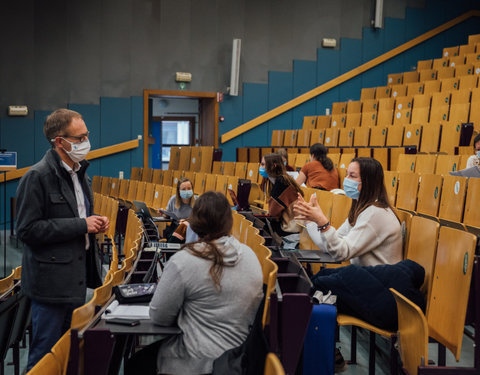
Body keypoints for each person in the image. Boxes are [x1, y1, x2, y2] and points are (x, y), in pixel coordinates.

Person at [16, 108, 109, 371]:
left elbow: (79, 218)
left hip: (76, 279)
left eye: (86, 136)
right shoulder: (37, 177)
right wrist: (82, 225)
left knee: (68, 355)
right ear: (60, 141)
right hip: (49, 285)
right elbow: (27, 230)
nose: (85, 143)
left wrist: (94, 222)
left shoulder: (80, 173)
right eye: (79, 138)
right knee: (45, 358)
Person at [148, 191, 263, 374]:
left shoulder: (184, 260)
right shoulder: (251, 256)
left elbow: (159, 316)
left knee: (137, 363)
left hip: (194, 363)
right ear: (229, 220)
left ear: (194, 222)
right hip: (237, 361)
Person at [294, 157, 402, 266]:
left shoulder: (375, 213)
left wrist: (322, 222)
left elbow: (342, 252)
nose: (346, 179)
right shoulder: (361, 208)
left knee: (320, 281)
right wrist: (311, 220)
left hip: (378, 279)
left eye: (352, 176)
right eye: (346, 174)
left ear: (368, 182)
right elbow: (330, 246)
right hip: (366, 275)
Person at [261, 153, 304, 247]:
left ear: (274, 165)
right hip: (287, 223)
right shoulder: (279, 180)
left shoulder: (281, 182)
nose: (261, 167)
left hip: (290, 228)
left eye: (263, 164)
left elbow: (273, 212)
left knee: (261, 228)